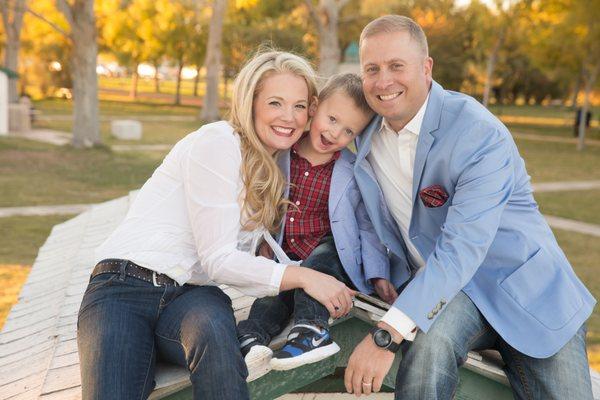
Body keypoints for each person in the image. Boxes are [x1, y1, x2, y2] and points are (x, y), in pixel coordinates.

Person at [76, 50, 356, 400]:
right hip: (122, 286)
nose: (289, 117)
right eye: (275, 103)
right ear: (250, 103)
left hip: (192, 297)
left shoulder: (273, 168)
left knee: (216, 340)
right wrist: (308, 277)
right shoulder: (218, 141)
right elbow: (219, 259)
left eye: (299, 106)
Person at [344, 15, 596, 399]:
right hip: (450, 295)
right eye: (372, 69)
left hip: (527, 291)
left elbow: (463, 247)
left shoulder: (479, 133)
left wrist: (386, 335)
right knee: (426, 349)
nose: (383, 81)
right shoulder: (363, 130)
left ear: (426, 68)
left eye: (397, 66)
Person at [236, 73, 397, 372]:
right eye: (332, 119)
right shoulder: (281, 155)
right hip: (287, 256)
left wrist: (378, 274)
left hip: (330, 256)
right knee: (274, 295)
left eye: (349, 131)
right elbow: (261, 203)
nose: (336, 134)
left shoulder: (352, 170)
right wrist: (262, 241)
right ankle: (251, 336)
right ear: (314, 107)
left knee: (320, 263)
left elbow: (367, 227)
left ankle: (312, 330)